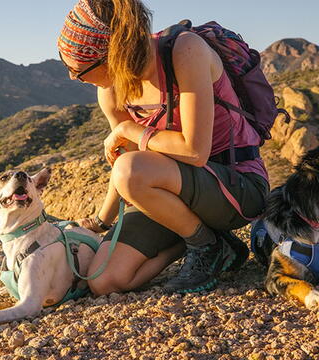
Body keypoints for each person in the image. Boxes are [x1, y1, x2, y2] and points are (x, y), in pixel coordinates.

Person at [57, 0, 269, 295]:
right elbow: (125, 163)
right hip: (171, 193)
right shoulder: (111, 91)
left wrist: (129, 128)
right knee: (105, 280)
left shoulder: (185, 52)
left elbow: (195, 151)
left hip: (235, 184)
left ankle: (204, 246)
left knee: (131, 169)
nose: (72, 76)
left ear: (110, 58)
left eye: (78, 69)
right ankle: (209, 241)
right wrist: (100, 221)